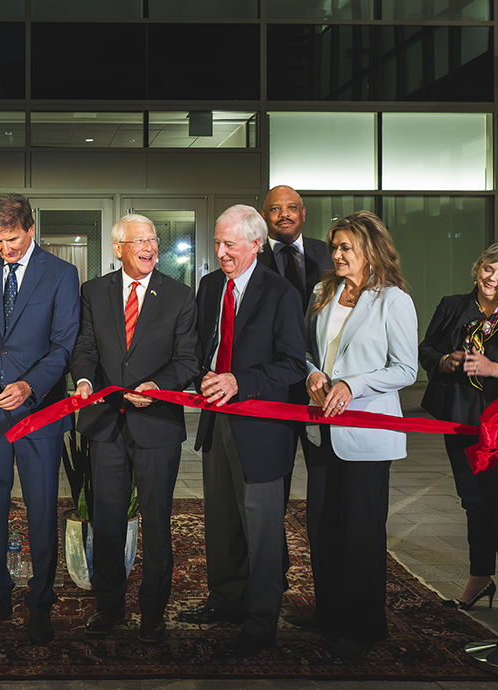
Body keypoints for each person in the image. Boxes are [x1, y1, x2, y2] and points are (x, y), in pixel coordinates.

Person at [0, 193, 80, 645]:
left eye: (11, 238)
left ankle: (40, 602)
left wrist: (30, 386)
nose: (4, 248)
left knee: (41, 509)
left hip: (37, 411)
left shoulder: (62, 274)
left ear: (31, 229)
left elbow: (64, 345)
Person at [179, 204, 306, 656]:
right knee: (222, 519)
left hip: (262, 427)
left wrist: (239, 381)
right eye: (216, 243)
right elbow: (201, 348)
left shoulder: (281, 293)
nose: (220, 252)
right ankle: (227, 599)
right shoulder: (211, 285)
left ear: (256, 243)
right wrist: (200, 378)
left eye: (229, 244)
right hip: (217, 420)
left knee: (262, 528)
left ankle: (261, 619)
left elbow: (292, 365)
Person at [71, 214, 200, 643]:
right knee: (106, 522)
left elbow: (187, 360)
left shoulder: (180, 295)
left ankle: (153, 612)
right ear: (118, 248)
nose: (149, 247)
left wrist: (159, 387)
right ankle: (108, 606)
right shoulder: (93, 291)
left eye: (153, 239)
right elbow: (85, 347)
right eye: (138, 240)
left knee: (158, 523)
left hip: (156, 425)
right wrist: (85, 382)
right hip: (106, 423)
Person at [295, 211, 417, 658]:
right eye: (335, 247)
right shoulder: (323, 290)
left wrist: (353, 384)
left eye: (347, 247)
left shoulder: (393, 300)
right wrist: (311, 374)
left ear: (371, 251)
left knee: (360, 531)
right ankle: (328, 612)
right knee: (323, 525)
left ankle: (364, 626)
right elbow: (309, 350)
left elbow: (405, 368)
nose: (338, 255)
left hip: (366, 432)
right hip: (321, 428)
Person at [419, 240, 498, 625]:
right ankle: (480, 577)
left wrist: (497, 370)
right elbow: (426, 350)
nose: (493, 279)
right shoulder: (452, 305)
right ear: (478, 268)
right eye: (489, 269)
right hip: (459, 414)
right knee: (473, 500)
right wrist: (444, 360)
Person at [258, 184, 335, 584]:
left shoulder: (332, 254)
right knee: (274, 491)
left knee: (324, 494)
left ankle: (327, 580)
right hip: (275, 391)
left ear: (303, 213)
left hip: (324, 391)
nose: (283, 214)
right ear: (264, 216)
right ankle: (276, 571)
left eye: (291, 208)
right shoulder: (253, 258)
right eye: (275, 209)